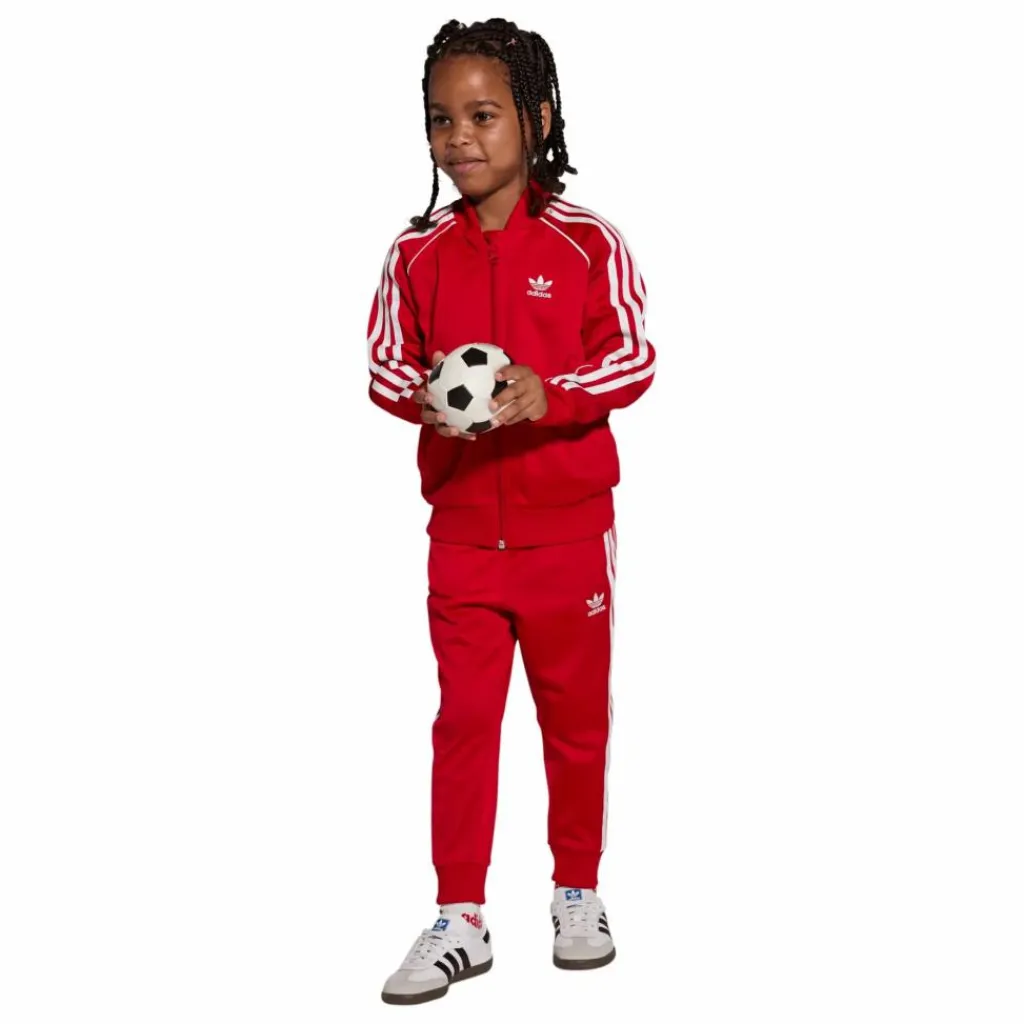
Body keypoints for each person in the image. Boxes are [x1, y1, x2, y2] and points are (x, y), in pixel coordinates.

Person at [366, 17, 656, 1005]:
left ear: (537, 117)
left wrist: (551, 392)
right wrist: (425, 396)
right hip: (461, 539)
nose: (459, 138)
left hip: (566, 533)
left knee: (574, 722)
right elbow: (383, 363)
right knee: (464, 723)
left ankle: (577, 890)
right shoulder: (415, 254)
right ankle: (460, 915)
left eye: (483, 115)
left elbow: (633, 356)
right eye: (440, 119)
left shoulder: (587, 243)